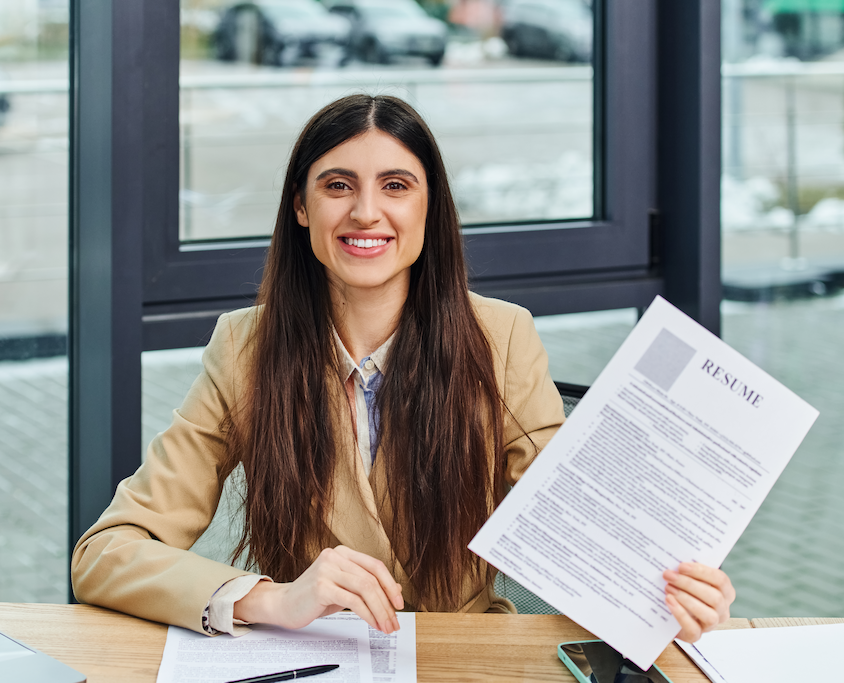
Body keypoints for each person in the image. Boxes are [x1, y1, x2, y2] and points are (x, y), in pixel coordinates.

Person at [71, 94, 735, 643]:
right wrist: (268, 598)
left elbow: (574, 532)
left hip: (466, 658)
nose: (366, 212)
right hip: (315, 658)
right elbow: (105, 553)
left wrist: (668, 593)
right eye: (337, 186)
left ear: (427, 209)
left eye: (396, 186)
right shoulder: (245, 347)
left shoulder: (502, 337)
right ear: (302, 209)